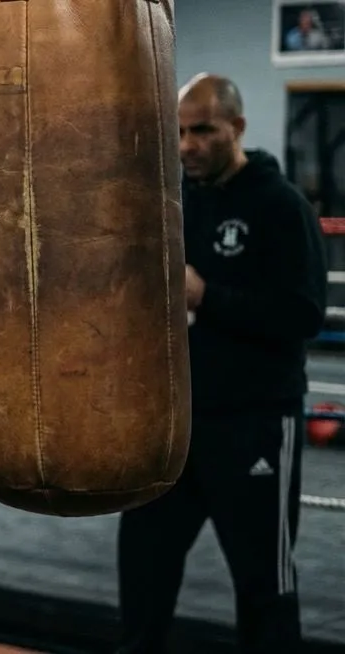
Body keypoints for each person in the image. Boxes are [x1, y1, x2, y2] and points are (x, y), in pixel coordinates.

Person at [115, 73, 327, 654]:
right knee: (143, 572)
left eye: (203, 130)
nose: (187, 145)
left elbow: (304, 313)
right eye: (181, 132)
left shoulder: (280, 207)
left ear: (236, 127)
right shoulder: (172, 203)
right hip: (172, 427)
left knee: (264, 588)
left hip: (254, 422)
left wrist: (208, 297)